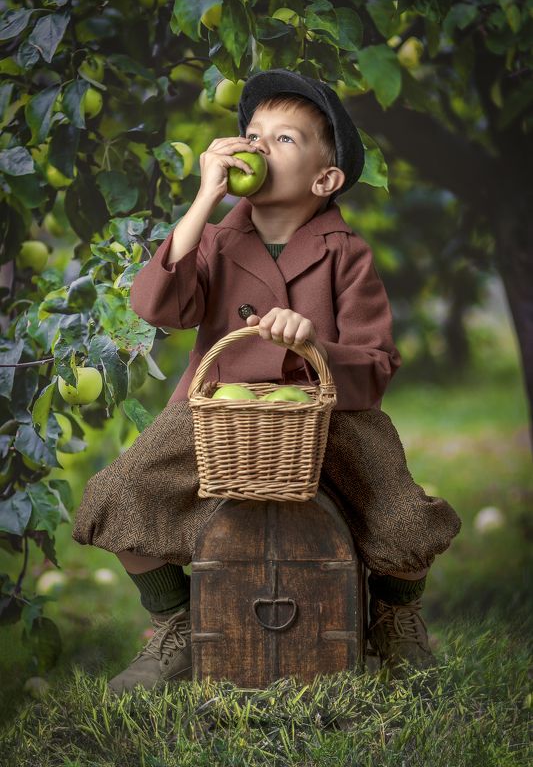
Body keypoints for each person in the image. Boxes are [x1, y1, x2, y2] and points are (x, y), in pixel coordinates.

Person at [71, 69, 461, 694]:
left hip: (328, 420)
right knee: (115, 495)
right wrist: (204, 200)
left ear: (324, 178)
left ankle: (394, 616)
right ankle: (178, 622)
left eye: (283, 139)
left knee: (405, 519)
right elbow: (157, 306)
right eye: (251, 134)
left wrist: (314, 344)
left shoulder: (345, 252)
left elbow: (376, 361)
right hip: (219, 416)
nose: (256, 147)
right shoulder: (218, 240)